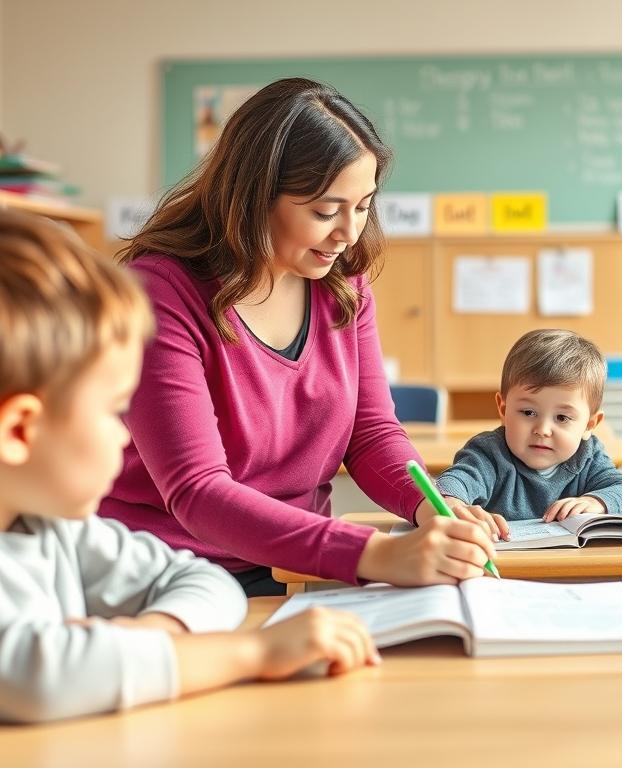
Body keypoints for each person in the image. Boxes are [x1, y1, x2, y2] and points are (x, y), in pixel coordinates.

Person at [0, 200, 380, 722]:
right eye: (114, 412)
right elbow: (39, 679)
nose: (124, 437)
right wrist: (256, 654)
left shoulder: (46, 523)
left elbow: (205, 582)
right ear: (18, 430)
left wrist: (152, 634)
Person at [101, 78, 496, 597]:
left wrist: (429, 503)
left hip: (299, 565)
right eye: (325, 211)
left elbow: (372, 432)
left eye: (364, 206)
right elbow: (197, 491)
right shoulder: (162, 294)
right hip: (171, 572)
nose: (350, 233)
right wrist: (372, 553)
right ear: (253, 198)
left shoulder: (342, 285)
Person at [435, 330, 622, 523]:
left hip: (571, 563)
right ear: (503, 408)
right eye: (528, 413)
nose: (543, 429)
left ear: (589, 425)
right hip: (500, 562)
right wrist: (452, 501)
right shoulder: (489, 453)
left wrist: (597, 502)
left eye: (562, 418)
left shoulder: (588, 456)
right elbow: (457, 481)